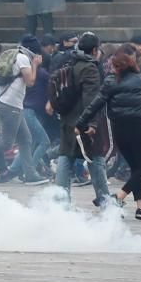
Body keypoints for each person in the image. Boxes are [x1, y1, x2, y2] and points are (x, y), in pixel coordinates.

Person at [77, 45, 141, 220]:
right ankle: (118, 197)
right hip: (137, 127)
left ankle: (140, 207)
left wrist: (81, 121)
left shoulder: (111, 81)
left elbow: (95, 104)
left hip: (118, 128)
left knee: (136, 167)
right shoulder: (140, 78)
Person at [54, 32, 111, 207]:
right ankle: (106, 202)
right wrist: (92, 123)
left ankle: (60, 203)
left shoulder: (70, 63)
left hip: (67, 119)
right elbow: (91, 99)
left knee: (66, 156)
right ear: (95, 50)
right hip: (84, 121)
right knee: (96, 159)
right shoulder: (90, 68)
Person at [0, 37, 47, 185]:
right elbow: (30, 81)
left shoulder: (17, 56)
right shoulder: (22, 58)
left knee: (26, 140)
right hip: (10, 105)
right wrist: (35, 64)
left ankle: (30, 174)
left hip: (14, 105)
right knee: (7, 143)